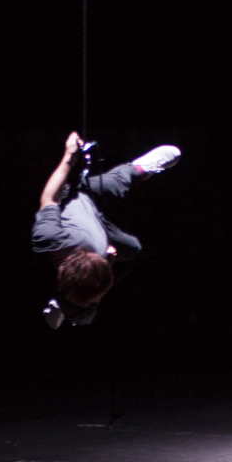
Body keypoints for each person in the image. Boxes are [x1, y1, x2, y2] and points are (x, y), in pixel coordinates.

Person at [33, 131, 181, 328]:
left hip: (80, 196)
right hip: (98, 228)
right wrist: (109, 263)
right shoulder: (101, 253)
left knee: (120, 180)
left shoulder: (50, 238)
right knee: (133, 249)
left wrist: (69, 156)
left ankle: (138, 169)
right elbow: (97, 274)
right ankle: (76, 307)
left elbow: (49, 199)